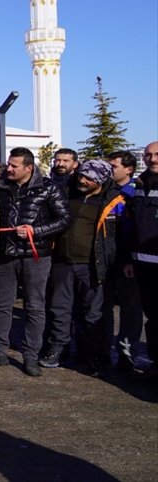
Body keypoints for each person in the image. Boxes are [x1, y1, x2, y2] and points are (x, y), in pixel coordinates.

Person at [0, 147, 71, 376]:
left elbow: (65, 219)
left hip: (35, 256)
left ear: (29, 168)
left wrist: (36, 230)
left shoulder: (49, 188)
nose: (8, 169)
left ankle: (30, 355)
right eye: (8, 164)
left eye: (14, 166)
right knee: (1, 304)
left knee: (35, 306)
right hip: (4, 255)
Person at [40, 160, 122, 374]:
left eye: (89, 178)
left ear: (101, 180)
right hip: (63, 263)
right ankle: (57, 348)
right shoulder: (67, 194)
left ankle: (94, 356)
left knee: (93, 313)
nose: (83, 180)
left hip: (94, 266)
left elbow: (122, 236)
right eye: (81, 176)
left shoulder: (114, 201)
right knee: (59, 309)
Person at [120, 141, 158, 381]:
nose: (152, 159)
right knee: (153, 319)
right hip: (143, 266)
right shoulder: (140, 185)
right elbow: (132, 227)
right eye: (148, 155)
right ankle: (155, 362)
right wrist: (129, 259)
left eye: (157, 155)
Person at [105, 150, 142, 372]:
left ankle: (126, 354)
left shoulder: (135, 194)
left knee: (130, 309)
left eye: (114, 166)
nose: (109, 170)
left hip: (127, 261)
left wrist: (129, 258)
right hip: (105, 260)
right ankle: (101, 350)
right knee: (101, 307)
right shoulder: (104, 192)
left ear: (128, 169)